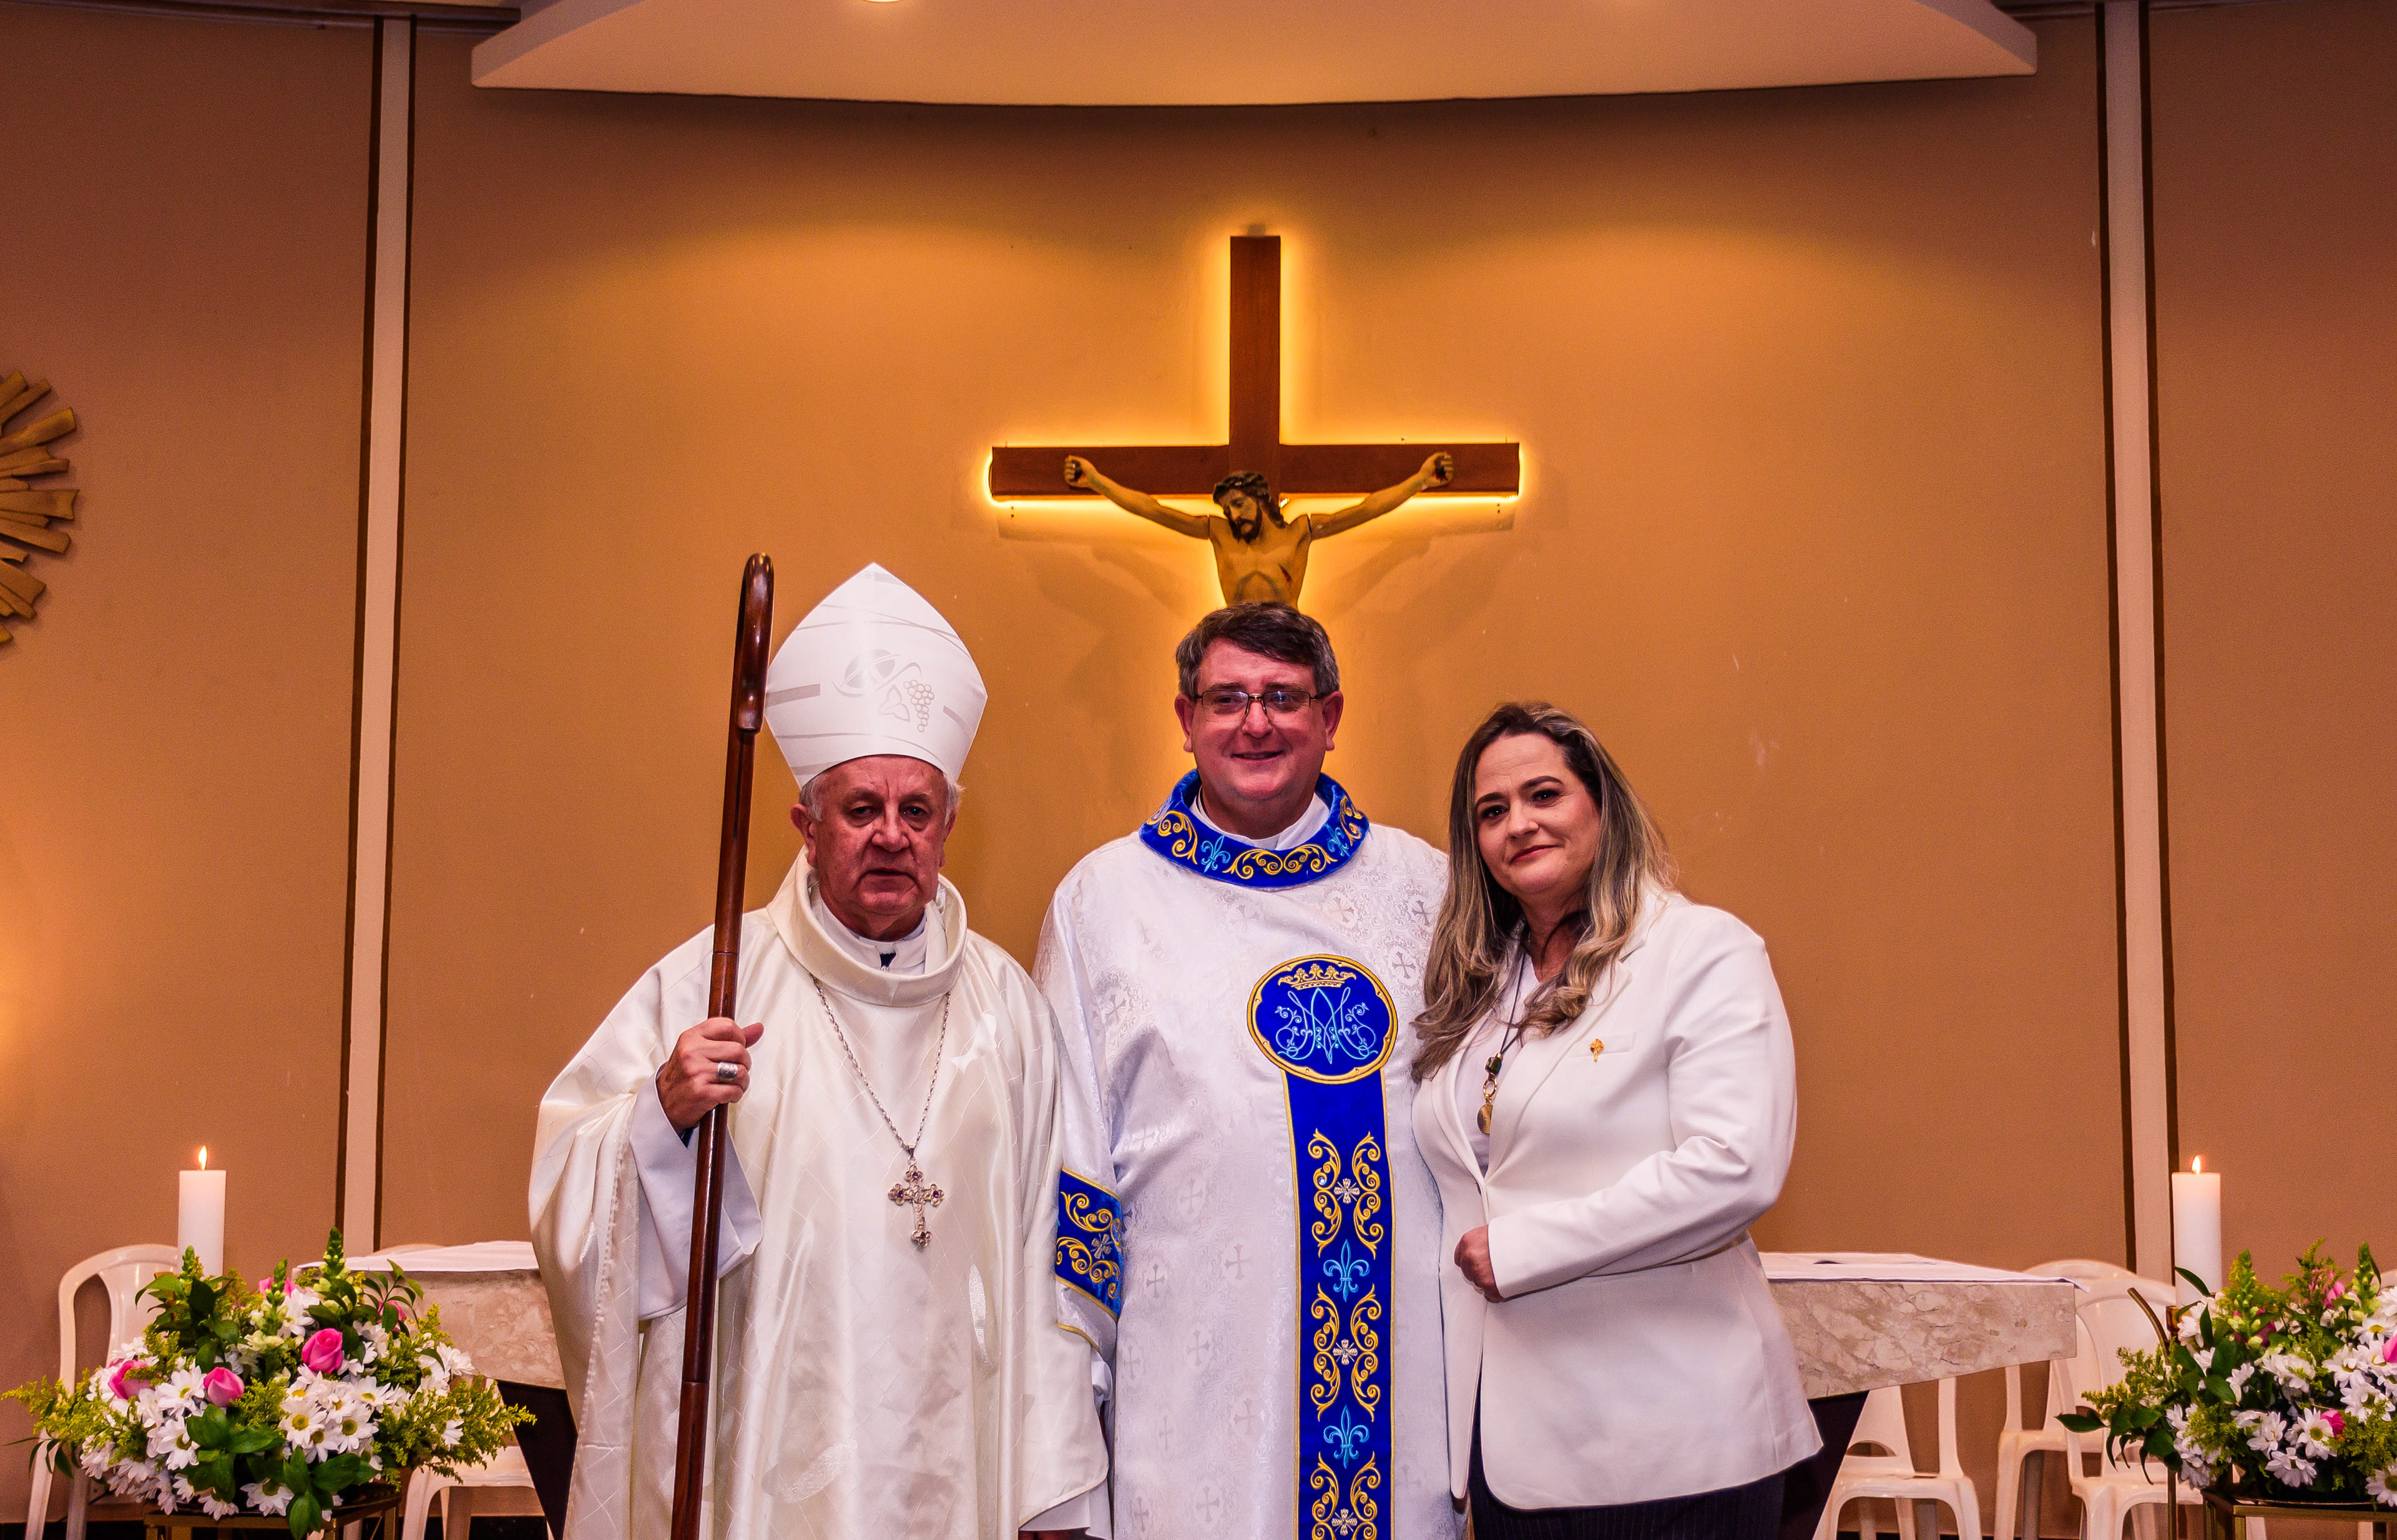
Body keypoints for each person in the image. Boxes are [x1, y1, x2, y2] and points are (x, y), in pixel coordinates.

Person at [530, 564, 1109, 1540]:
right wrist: (662, 1115)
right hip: (773, 1460)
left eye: (916, 811)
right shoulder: (712, 985)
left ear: (948, 824)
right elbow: (573, 1190)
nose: (891, 835)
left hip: (965, 1459)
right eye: (860, 809)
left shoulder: (1007, 1008)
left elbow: (1054, 1255)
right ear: (806, 826)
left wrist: (1056, 1495)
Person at [1036, 602, 1459, 1540]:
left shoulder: (1426, 887)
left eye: (1283, 697)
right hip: (1191, 1393)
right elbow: (1071, 1177)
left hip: (1408, 1403)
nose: (1255, 722)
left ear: (1331, 716)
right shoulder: (1103, 900)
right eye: (1227, 698)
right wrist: (1064, 1444)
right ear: (1185, 718)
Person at [1410, 702, 1819, 1540]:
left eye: (1544, 794)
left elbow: (1736, 1165)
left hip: (1676, 1440)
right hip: (1515, 1451)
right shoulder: (1481, 987)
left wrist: (1525, 1248)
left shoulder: (1700, 949)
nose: (1519, 824)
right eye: (1492, 811)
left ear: (1602, 805)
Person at [1061, 453, 1453, 606]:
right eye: (1227, 509)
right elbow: (1154, 510)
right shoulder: (1218, 533)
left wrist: (1420, 480)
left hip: (1287, 637)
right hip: (1235, 636)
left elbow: (1367, 509)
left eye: (1239, 504)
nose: (1233, 516)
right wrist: (1097, 481)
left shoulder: (1300, 532)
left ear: (1261, 499)